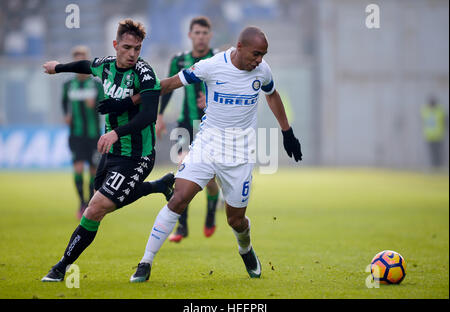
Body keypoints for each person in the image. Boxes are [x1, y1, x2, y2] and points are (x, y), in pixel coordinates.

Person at [117, 26, 302, 282]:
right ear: (239, 48)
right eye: (256, 53)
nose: (260, 59)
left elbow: (272, 95)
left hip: (240, 155)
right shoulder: (212, 66)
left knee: (236, 220)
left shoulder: (262, 70)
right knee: (178, 198)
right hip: (207, 146)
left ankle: (246, 249)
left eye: (263, 54)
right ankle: (145, 262)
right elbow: (170, 83)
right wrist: (129, 101)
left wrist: (287, 132)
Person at [40, 19, 175, 282]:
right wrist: (59, 68)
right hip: (112, 153)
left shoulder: (144, 74)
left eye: (137, 48)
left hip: (137, 156)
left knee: (95, 208)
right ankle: (159, 186)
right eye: (127, 47)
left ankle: (61, 267)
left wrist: (115, 132)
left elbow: (148, 115)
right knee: (101, 199)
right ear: (115, 45)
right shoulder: (105, 66)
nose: (133, 54)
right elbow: (85, 65)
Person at [157, 16, 221, 242]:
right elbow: (170, 88)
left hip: (211, 126)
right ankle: (182, 226)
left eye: (204, 33)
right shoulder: (179, 60)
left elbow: (227, 89)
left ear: (210, 35)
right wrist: (160, 116)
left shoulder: (219, 59)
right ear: (190, 35)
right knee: (183, 170)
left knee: (210, 181)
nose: (201, 37)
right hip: (185, 124)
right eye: (197, 33)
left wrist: (212, 99)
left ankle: (211, 213)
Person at [62, 45, 103, 219]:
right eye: (77, 58)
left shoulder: (95, 84)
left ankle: (89, 202)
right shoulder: (68, 85)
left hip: (93, 135)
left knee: (93, 171)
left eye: (83, 58)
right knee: (78, 169)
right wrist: (66, 115)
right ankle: (81, 203)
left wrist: (94, 106)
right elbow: (64, 103)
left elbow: (104, 106)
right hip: (76, 135)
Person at [421, 96, 447, 168]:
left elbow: (445, 122)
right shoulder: (425, 110)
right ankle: (434, 166)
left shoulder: (440, 111)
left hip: (438, 135)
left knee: (439, 152)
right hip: (429, 136)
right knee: (432, 153)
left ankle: (440, 166)